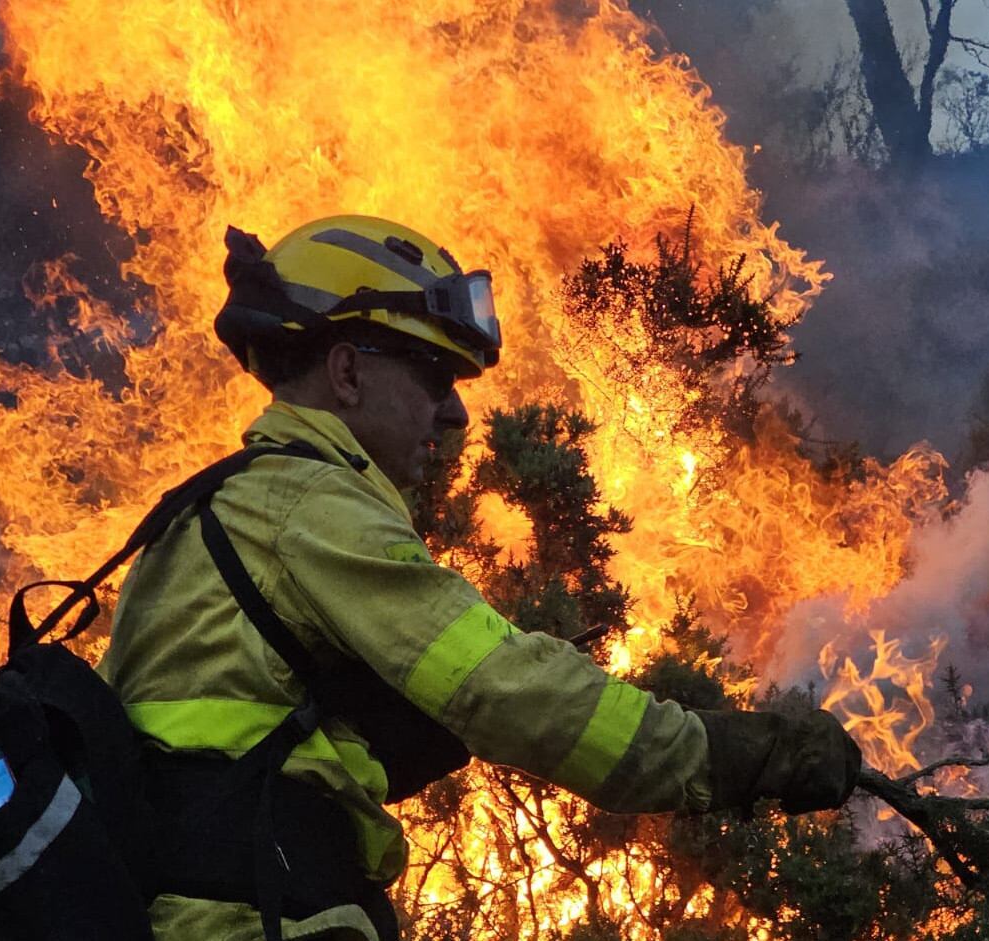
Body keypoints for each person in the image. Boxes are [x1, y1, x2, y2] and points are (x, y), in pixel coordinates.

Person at [99, 215, 862, 941]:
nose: (453, 416)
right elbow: (502, 687)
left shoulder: (219, 506)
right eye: (434, 377)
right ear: (346, 371)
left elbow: (225, 741)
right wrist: (725, 754)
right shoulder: (311, 503)